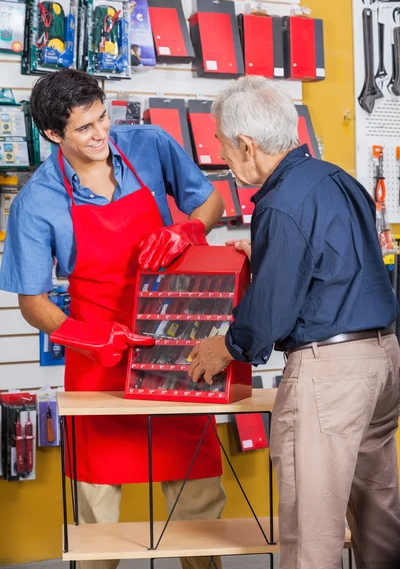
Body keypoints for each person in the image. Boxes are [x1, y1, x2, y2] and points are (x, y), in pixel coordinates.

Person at [0, 69, 226, 569]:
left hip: (175, 347)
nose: (102, 134)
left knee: (198, 504)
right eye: (85, 128)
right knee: (98, 522)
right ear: (54, 135)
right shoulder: (38, 200)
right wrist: (90, 338)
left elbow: (212, 201)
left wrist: (187, 230)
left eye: (103, 116)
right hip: (97, 361)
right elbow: (33, 302)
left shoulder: (149, 144)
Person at [188, 75, 400, 569]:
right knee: (378, 510)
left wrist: (228, 347)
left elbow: (270, 314)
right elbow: (334, 265)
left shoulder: (281, 205)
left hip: (331, 373)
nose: (223, 156)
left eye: (223, 144)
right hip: (383, 358)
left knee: (312, 528)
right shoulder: (337, 178)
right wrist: (269, 256)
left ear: (247, 144)